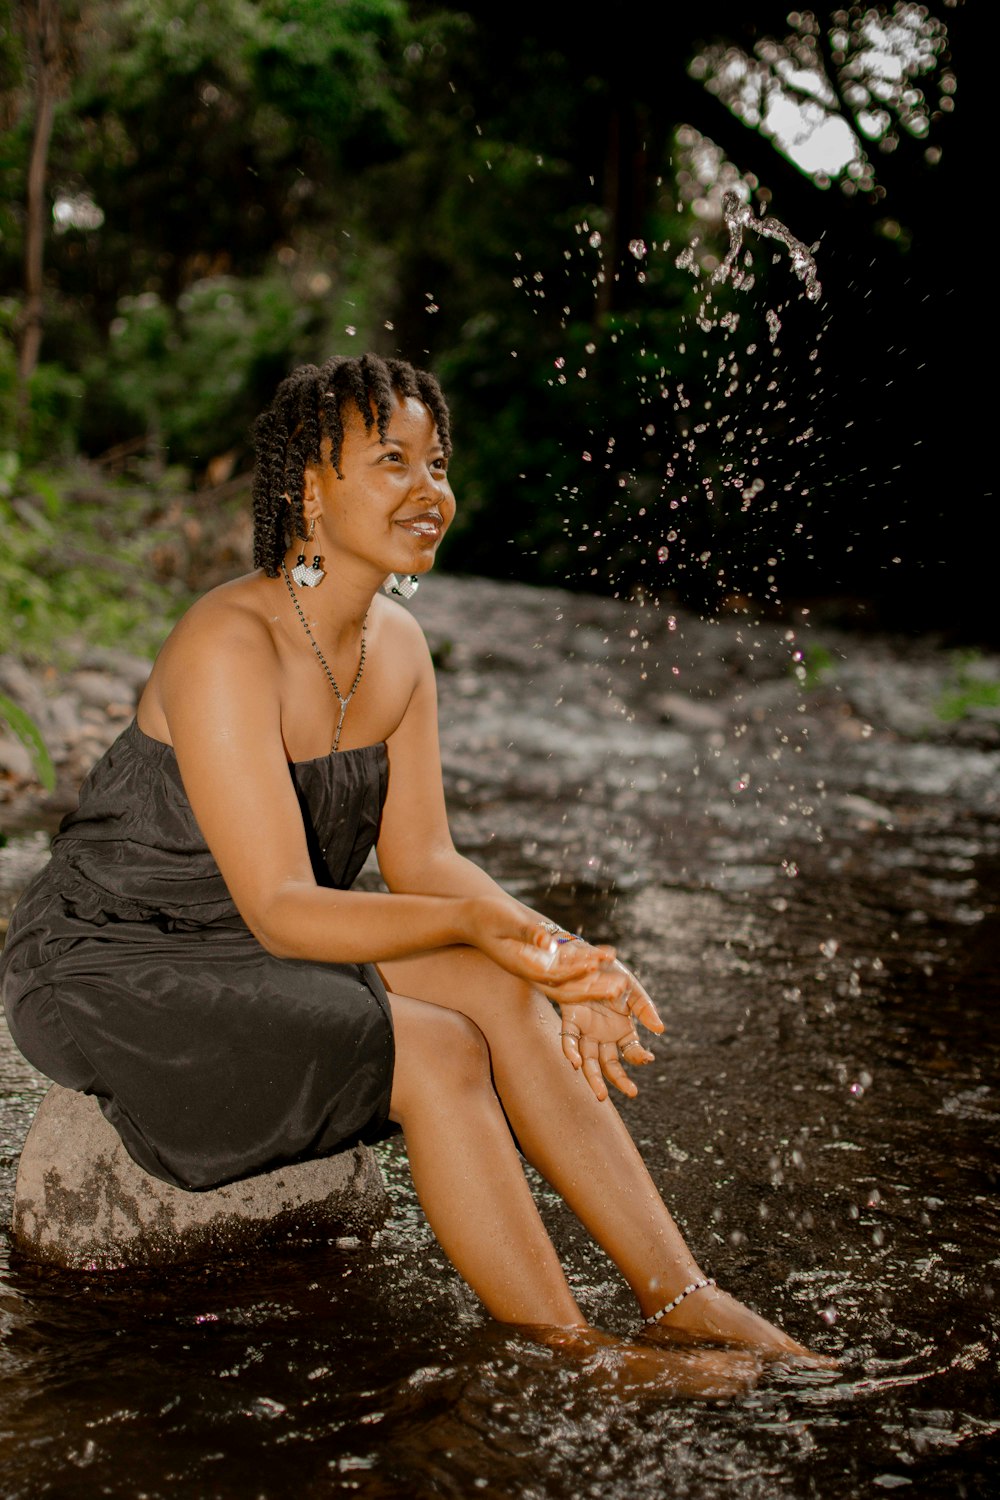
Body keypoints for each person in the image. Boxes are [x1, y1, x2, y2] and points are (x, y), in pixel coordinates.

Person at [1, 352, 830, 1394]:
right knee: (439, 1048)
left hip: (253, 943)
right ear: (310, 484)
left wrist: (565, 961)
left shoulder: (396, 647)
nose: (428, 490)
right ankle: (569, 1353)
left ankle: (679, 1295)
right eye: (391, 461)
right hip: (115, 958)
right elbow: (282, 907)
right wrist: (487, 932)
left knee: (499, 984)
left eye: (437, 464)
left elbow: (426, 860)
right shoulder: (228, 643)